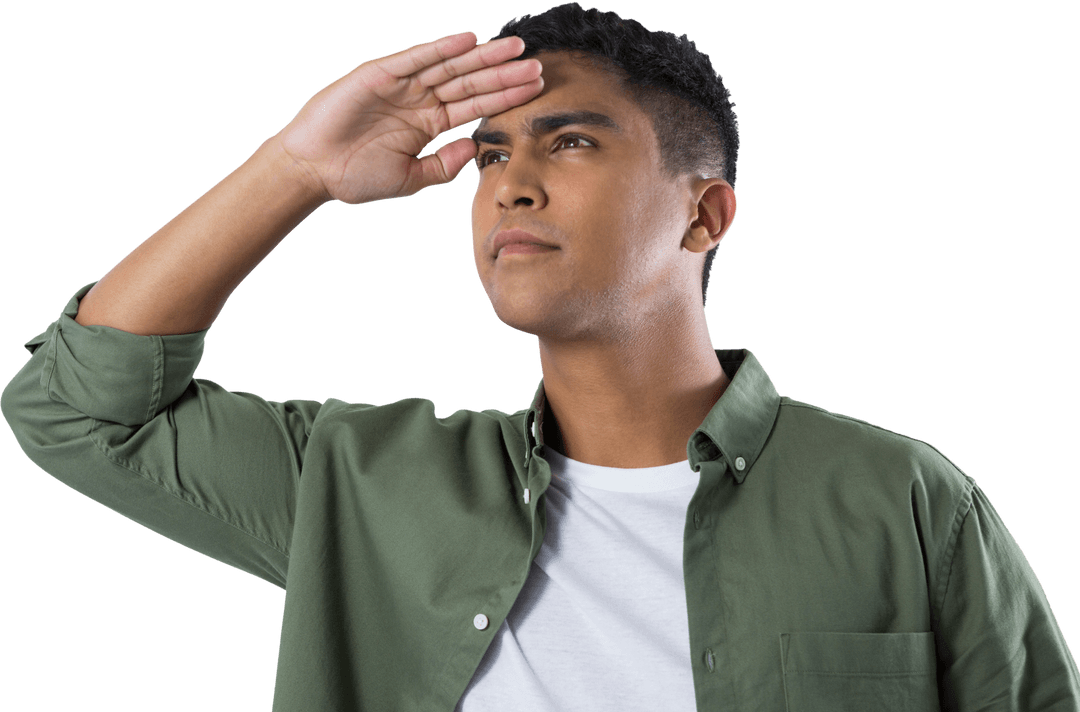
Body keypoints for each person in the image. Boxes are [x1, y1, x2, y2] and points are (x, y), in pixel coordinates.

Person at [2, 3, 1078, 710]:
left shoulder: (905, 501)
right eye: (489, 153)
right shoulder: (364, 488)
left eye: (569, 142)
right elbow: (74, 409)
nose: (511, 183)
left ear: (705, 217)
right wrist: (295, 168)